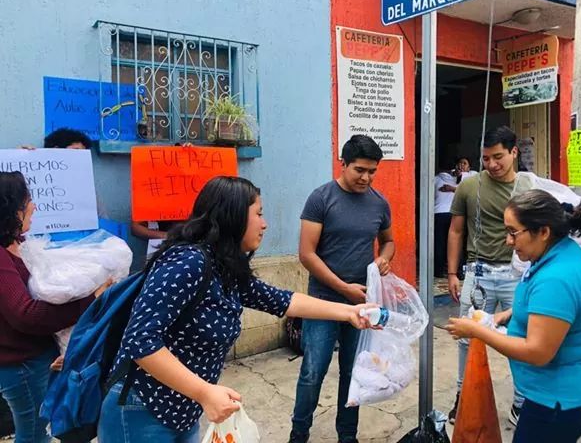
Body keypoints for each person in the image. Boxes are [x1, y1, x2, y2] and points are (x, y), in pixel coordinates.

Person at [97, 176, 377, 442]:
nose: (265, 224)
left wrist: (350, 313)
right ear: (232, 215)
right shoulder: (188, 262)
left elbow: (282, 300)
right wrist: (205, 392)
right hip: (141, 408)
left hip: (185, 410)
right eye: (258, 213)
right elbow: (140, 341)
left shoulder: (225, 266)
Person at [446, 189, 581, 443]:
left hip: (562, 398)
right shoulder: (557, 253)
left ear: (543, 231)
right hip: (566, 392)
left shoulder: (557, 277)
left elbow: (538, 352)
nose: (508, 241)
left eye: (513, 232)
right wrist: (506, 315)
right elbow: (549, 309)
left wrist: (478, 331)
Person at [289, 135, 395, 443]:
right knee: (313, 371)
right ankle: (299, 434)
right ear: (344, 163)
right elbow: (307, 254)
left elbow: (389, 241)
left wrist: (384, 259)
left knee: (354, 373)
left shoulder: (378, 202)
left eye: (372, 171)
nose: (366, 177)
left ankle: (347, 436)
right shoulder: (321, 198)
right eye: (359, 170)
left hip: (362, 303)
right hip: (323, 301)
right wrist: (343, 289)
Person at [0, 171, 110, 443]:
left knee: (42, 430)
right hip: (20, 365)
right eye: (27, 201)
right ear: (10, 209)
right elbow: (26, 315)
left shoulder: (17, 244)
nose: (33, 206)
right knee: (34, 435)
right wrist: (90, 299)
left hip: (37, 357)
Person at [446, 126, 524, 425]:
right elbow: (455, 230)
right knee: (467, 340)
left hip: (515, 276)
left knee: (519, 340)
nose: (491, 164)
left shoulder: (529, 187)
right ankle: (463, 398)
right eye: (486, 158)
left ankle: (521, 402)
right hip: (477, 275)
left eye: (498, 157)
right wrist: (453, 273)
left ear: (514, 152)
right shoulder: (470, 186)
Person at [434, 163, 458, 277]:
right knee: (453, 243)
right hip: (453, 214)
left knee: (439, 244)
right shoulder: (456, 181)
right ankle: (456, 271)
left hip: (438, 213)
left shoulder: (434, 179)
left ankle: (438, 271)